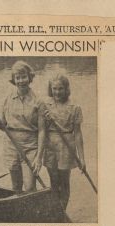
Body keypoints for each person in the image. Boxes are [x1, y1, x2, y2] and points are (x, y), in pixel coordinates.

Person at [35, 73, 86, 210]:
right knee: (53, 181)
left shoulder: (75, 107)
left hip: (67, 147)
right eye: (54, 89)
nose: (57, 92)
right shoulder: (45, 105)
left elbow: (78, 134)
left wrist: (82, 158)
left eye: (60, 89)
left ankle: (62, 210)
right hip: (50, 146)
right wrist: (39, 157)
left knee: (64, 182)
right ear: (50, 89)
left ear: (66, 89)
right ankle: (55, 210)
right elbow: (41, 130)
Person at [1, 60, 43, 193]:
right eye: (17, 78)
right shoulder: (7, 99)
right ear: (13, 80)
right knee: (16, 187)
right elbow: (3, 126)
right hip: (11, 147)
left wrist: (39, 157)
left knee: (30, 187)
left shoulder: (38, 101)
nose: (21, 81)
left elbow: (42, 131)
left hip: (30, 147)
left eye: (24, 76)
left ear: (30, 77)